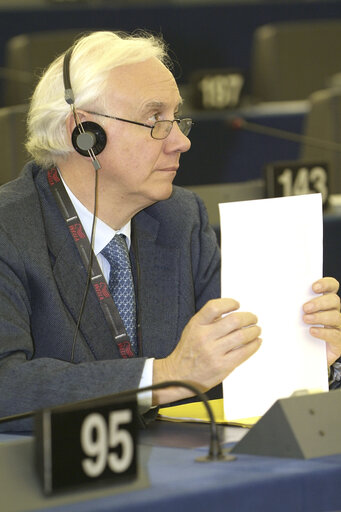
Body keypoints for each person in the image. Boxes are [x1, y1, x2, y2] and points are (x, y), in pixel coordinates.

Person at [0, 31, 340, 432]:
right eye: (155, 120)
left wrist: (307, 352)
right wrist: (165, 377)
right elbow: (7, 386)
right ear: (84, 133)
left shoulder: (181, 217)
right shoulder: (10, 230)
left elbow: (234, 363)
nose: (181, 141)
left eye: (177, 119)